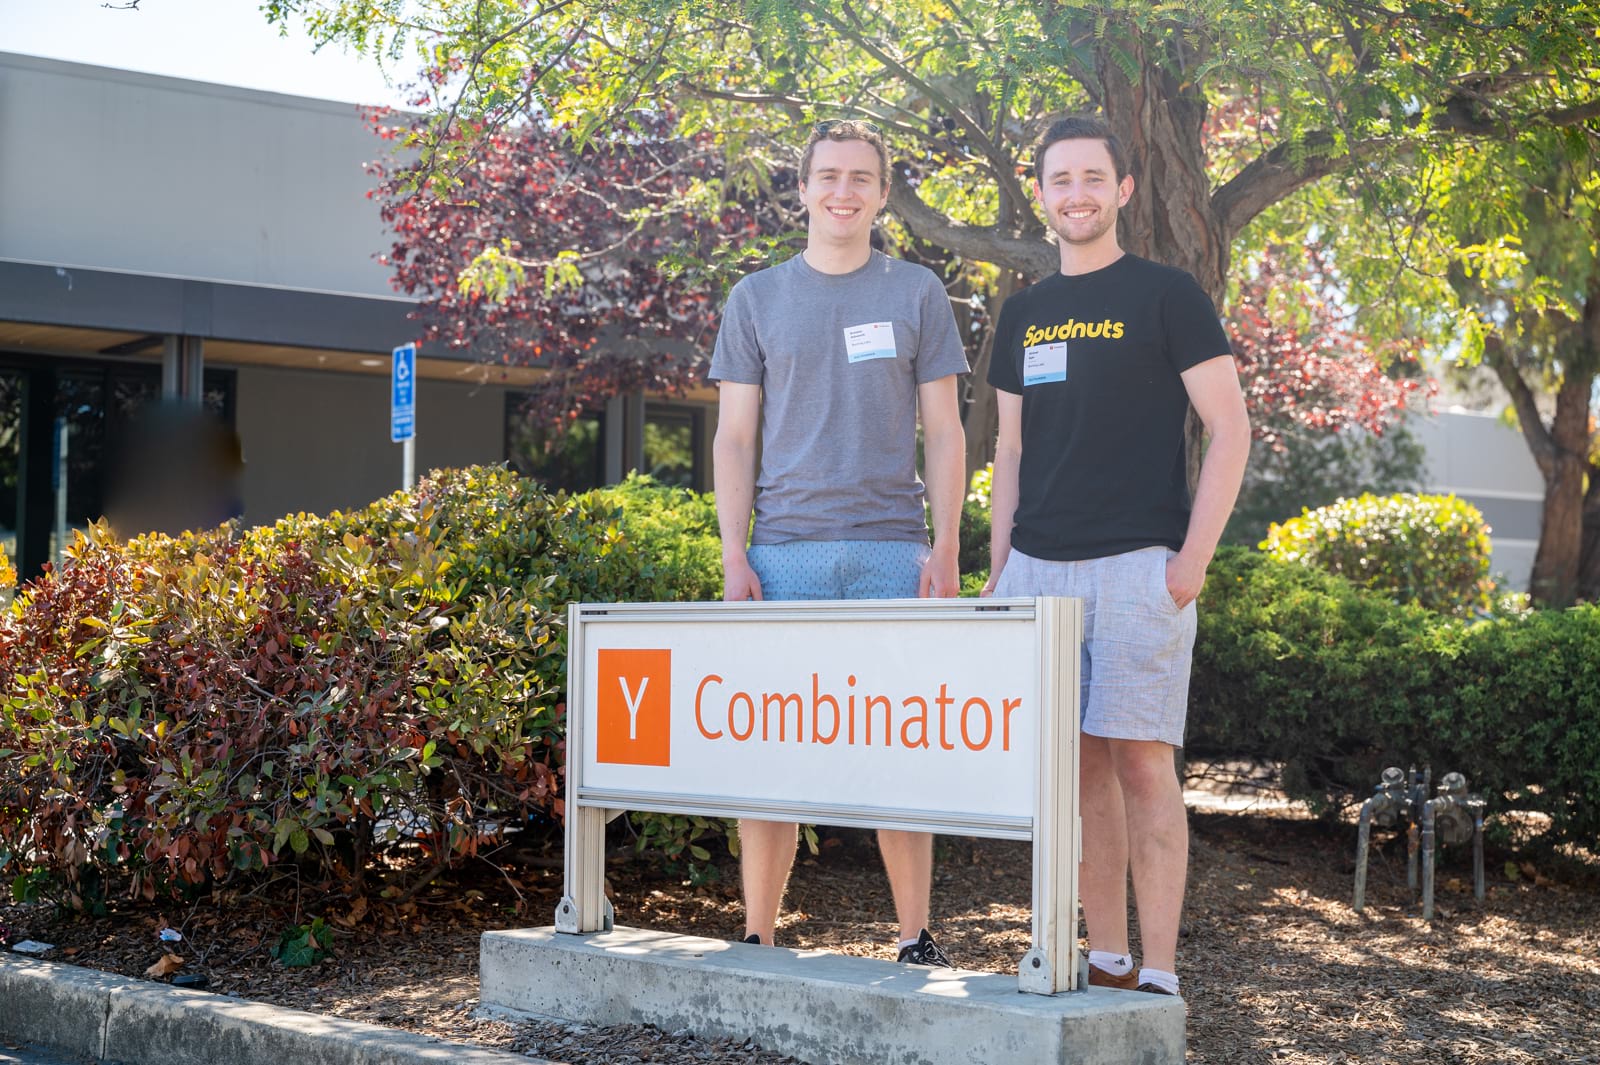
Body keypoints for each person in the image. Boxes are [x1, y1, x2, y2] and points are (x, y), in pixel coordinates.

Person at [982, 116, 1250, 997]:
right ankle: (1103, 956)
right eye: (1061, 181)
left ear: (1124, 190)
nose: (1077, 194)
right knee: (1079, 768)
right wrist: (1000, 569)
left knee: (1141, 759)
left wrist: (1191, 563)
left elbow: (1230, 427)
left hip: (1141, 567)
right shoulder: (1022, 313)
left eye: (1093, 178)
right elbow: (1011, 452)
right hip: (1039, 570)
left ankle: (1162, 967)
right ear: (1044, 194)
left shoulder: (1168, 295)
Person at [709, 118, 969, 966]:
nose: (843, 191)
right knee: (769, 756)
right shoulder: (756, 298)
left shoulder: (917, 292)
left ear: (882, 193)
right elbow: (736, 439)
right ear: (802, 188)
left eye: (861, 177)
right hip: (783, 553)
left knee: (903, 755)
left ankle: (915, 935)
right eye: (828, 176)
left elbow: (944, 428)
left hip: (896, 551)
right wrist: (734, 552)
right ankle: (757, 933)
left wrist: (947, 543)